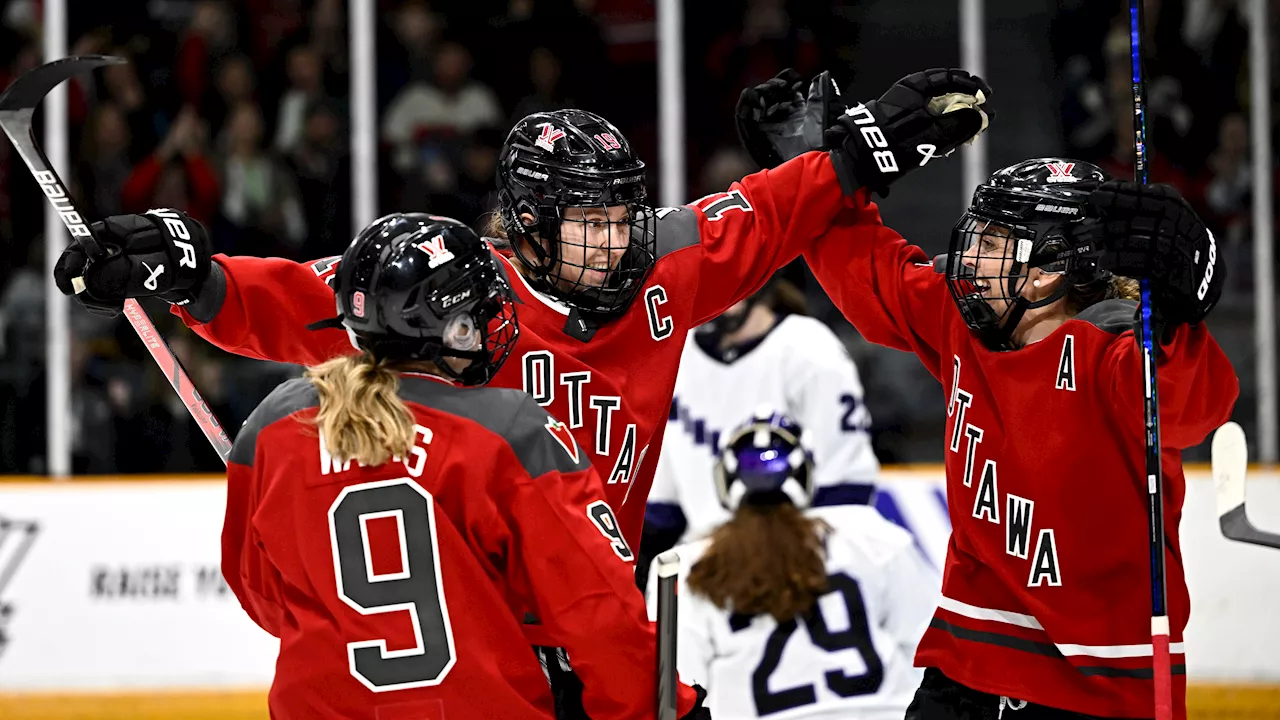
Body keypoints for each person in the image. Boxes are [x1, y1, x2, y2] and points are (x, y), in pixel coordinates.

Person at [53, 73, 990, 714]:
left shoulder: (665, 266)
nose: (616, 243)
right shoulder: (459, 295)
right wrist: (188, 276)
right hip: (489, 636)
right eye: (588, 224)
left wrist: (868, 150)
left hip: (599, 608)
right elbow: (300, 300)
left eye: (625, 216)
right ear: (529, 226)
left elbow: (775, 206)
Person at [740, 74, 1236, 720]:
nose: (971, 260)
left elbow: (1200, 402)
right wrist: (814, 174)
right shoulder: (962, 318)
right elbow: (866, 270)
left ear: (1056, 264)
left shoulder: (1116, 356)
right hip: (967, 663)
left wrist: (1182, 301)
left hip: (1097, 685)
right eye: (975, 239)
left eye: (996, 244)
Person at [221, 214, 709, 719]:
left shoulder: (274, 427)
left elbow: (261, 596)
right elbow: (598, 615)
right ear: (452, 325)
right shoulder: (509, 432)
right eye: (480, 312)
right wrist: (666, 706)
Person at [645, 409, 937, 720]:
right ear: (806, 473)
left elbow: (677, 691)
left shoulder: (684, 564)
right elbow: (929, 650)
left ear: (725, 478)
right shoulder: (872, 534)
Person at [642, 274, 881, 571]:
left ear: (760, 279)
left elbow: (846, 492)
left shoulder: (808, 348)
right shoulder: (675, 353)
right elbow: (662, 510)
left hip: (794, 564)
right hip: (704, 567)